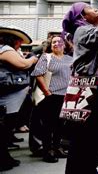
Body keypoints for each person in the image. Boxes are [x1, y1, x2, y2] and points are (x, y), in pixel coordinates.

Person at [61, 2, 98, 174]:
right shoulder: (82, 31)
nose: (97, 11)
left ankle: (86, 169)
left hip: (95, 90)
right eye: (91, 10)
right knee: (88, 139)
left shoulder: (88, 32)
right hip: (92, 92)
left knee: (91, 139)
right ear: (82, 17)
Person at [0, 26, 38, 171]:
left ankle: (4, 157)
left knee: (5, 129)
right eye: (19, 41)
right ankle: (3, 159)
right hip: (7, 98)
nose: (21, 43)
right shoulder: (6, 50)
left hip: (9, 97)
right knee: (4, 128)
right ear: (14, 40)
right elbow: (22, 64)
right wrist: (33, 59)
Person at [31, 35, 73, 163]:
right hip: (51, 96)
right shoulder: (46, 57)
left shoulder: (70, 59)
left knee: (60, 125)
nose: (56, 44)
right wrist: (47, 92)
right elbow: (38, 74)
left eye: (59, 42)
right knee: (48, 125)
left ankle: (57, 147)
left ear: (64, 45)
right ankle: (48, 151)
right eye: (53, 42)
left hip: (66, 96)